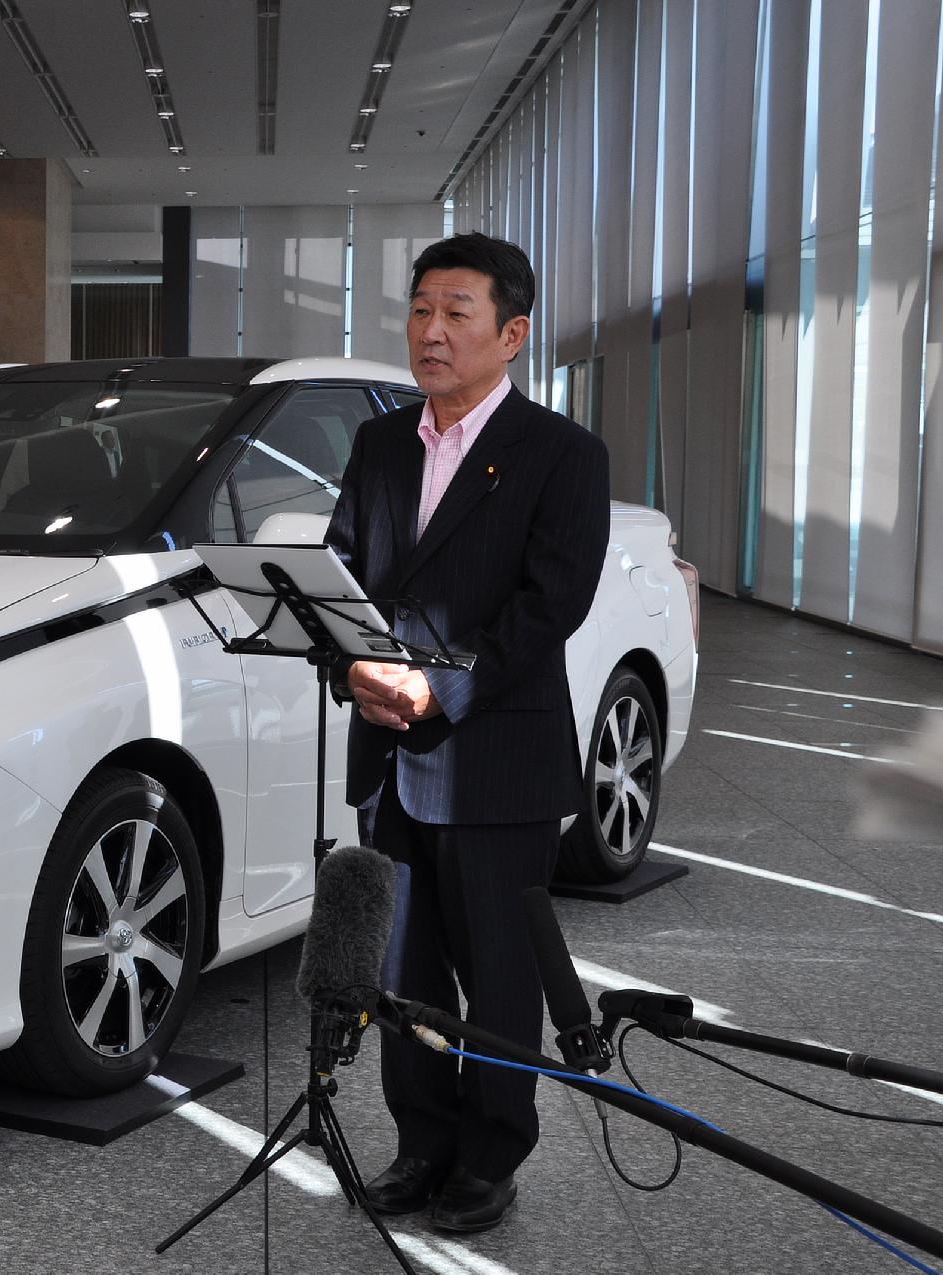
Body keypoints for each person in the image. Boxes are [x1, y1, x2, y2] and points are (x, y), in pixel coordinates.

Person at [323, 233, 609, 1233]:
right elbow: (342, 577)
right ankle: (422, 1143)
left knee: (498, 970)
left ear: (511, 333)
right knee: (401, 969)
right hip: (390, 758)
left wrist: (442, 690)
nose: (430, 333)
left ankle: (489, 1159)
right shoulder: (380, 444)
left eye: (456, 313)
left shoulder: (564, 455)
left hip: (496, 756)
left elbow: (550, 606)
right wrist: (351, 667)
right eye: (418, 311)